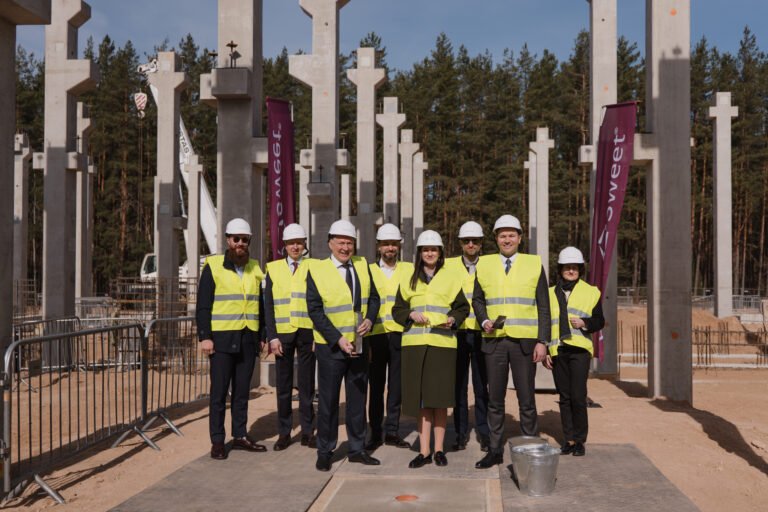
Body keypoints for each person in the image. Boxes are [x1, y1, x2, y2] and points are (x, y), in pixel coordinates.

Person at [472, 214, 551, 469]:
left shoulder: (533, 263)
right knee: (495, 400)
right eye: (502, 235)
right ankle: (495, 450)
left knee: (526, 400)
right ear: (496, 239)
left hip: (524, 343)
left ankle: (530, 450)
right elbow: (477, 299)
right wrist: (484, 320)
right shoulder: (484, 264)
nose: (507, 240)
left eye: (511, 235)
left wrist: (543, 341)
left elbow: (544, 306)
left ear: (520, 238)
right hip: (494, 341)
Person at [306, 219, 381, 471]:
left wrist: (370, 319)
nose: (345, 248)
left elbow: (374, 298)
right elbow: (315, 311)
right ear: (330, 243)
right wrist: (337, 339)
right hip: (331, 348)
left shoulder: (362, 265)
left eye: (349, 243)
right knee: (328, 402)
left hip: (358, 344)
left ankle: (357, 448)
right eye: (341, 242)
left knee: (358, 400)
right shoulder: (317, 270)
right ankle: (325, 451)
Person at [392, 230, 469, 469]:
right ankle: (424, 451)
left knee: (440, 400)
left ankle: (439, 450)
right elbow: (397, 310)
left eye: (433, 249)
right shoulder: (409, 278)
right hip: (415, 347)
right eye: (425, 250)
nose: (429, 253)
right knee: (422, 401)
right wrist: (410, 314)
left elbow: (462, 308)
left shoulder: (451, 277)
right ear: (420, 253)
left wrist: (453, 319)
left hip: (442, 345)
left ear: (440, 252)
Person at [197, 218, 267, 460]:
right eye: (236, 239)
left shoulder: (255, 268)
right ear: (228, 240)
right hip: (222, 340)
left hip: (248, 339)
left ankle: (240, 435)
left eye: (244, 240)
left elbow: (260, 305)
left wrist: (262, 335)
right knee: (219, 394)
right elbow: (203, 305)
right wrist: (205, 337)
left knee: (242, 392)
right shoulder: (214, 266)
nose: (240, 243)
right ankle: (217, 441)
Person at [544, 247, 604, 457]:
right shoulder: (550, 293)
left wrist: (585, 322)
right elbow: (545, 322)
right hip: (558, 349)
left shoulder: (591, 292)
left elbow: (599, 321)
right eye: (567, 267)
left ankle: (579, 440)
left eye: (575, 268)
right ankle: (568, 439)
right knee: (564, 397)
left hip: (579, 350)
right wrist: (547, 349)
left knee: (578, 396)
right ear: (560, 270)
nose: (571, 271)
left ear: (580, 270)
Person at [264, 223, 317, 451]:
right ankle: (284, 433)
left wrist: (318, 335)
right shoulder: (273, 269)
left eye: (299, 242)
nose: (295, 246)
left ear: (304, 244)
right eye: (291, 243)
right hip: (282, 335)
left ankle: (308, 431)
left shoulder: (314, 267)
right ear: (284, 245)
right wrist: (272, 337)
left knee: (307, 385)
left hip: (307, 333)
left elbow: (319, 302)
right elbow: (268, 306)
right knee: (283, 387)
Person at [365, 224, 414, 451]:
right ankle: (375, 432)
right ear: (379, 246)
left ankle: (392, 431)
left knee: (396, 387)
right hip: (375, 335)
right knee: (375, 386)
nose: (390, 248)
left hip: (400, 333)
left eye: (393, 244)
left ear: (399, 246)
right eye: (386, 244)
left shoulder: (409, 269)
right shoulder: (367, 270)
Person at [445, 221, 490, 452]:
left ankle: (485, 432)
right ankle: (460, 433)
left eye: (475, 241)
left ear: (481, 243)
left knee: (482, 387)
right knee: (459, 387)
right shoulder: (448, 265)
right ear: (460, 243)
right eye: (466, 241)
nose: (471, 244)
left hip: (483, 333)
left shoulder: (491, 265)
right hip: (458, 333)